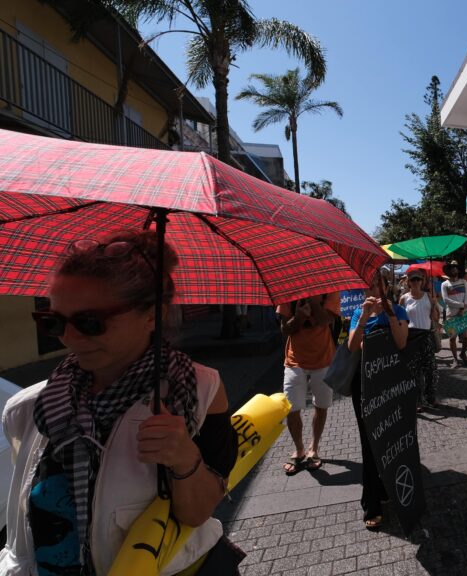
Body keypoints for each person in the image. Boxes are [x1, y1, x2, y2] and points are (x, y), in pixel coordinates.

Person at [1, 230, 238, 575]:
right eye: (53, 322)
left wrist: (184, 457)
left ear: (151, 315)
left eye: (90, 322)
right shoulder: (28, 408)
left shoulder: (200, 391)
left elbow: (197, 513)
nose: (69, 338)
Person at [348, 271, 409, 530]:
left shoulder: (398, 310)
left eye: (378, 284)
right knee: (369, 442)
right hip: (365, 384)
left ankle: (386, 488)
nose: (373, 289)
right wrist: (364, 317)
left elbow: (401, 343)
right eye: (369, 285)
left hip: (392, 383)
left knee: (390, 438)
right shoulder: (358, 313)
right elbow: (352, 346)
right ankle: (370, 503)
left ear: (386, 286)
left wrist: (390, 314)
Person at [277, 292, 341, 474]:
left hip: (324, 359)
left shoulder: (330, 290)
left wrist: (313, 302)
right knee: (291, 408)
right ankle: (299, 449)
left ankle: (314, 448)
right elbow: (285, 329)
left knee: (321, 406)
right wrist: (298, 317)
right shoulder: (287, 291)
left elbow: (325, 320)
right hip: (294, 361)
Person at [399, 269, 440, 410]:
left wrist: (434, 304)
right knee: (414, 371)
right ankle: (417, 400)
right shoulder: (404, 298)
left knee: (431, 369)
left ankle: (431, 397)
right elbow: (400, 319)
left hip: (426, 335)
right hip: (410, 337)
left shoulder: (429, 296)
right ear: (408, 282)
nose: (416, 282)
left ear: (422, 281)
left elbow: (435, 318)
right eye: (413, 279)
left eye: (418, 279)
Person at [441, 261, 467, 366]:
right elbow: (446, 300)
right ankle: (455, 359)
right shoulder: (444, 284)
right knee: (452, 338)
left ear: (458, 270)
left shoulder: (463, 282)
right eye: (452, 268)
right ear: (449, 271)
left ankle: (462, 353)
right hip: (451, 314)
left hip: (464, 313)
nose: (454, 270)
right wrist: (461, 305)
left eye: (455, 268)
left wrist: (463, 308)